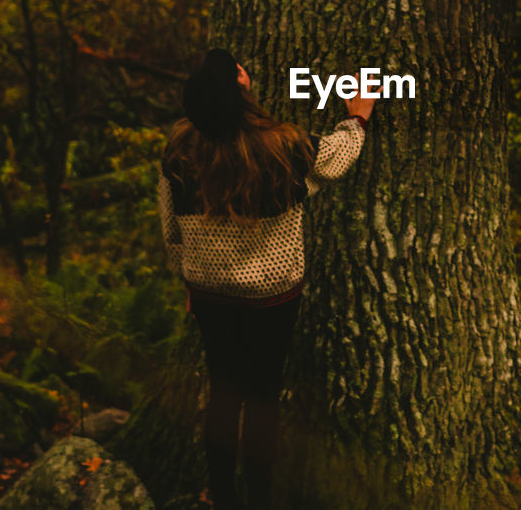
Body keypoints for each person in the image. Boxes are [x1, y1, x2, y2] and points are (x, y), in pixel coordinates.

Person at [157, 48, 373, 510]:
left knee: (223, 392)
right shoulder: (282, 144)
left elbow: (170, 227)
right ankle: (261, 499)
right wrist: (357, 119)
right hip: (272, 297)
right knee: (262, 398)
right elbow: (334, 158)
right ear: (241, 83)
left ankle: (223, 498)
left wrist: (188, 279)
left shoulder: (180, 149)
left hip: (210, 292)